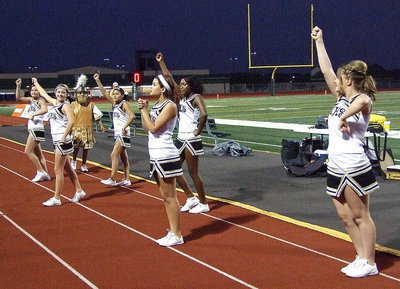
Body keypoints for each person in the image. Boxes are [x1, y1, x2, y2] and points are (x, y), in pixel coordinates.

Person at [311, 26, 379, 278]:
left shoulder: (363, 100)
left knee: (361, 216)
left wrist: (345, 117)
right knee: (344, 216)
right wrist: (319, 42)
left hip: (354, 164)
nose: (336, 81)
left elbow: (361, 103)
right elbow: (327, 70)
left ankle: (369, 261)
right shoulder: (339, 99)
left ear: (349, 80)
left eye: (340, 78)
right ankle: (360, 256)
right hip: (335, 165)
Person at [156, 52, 210, 214]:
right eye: (181, 84)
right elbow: (170, 80)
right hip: (180, 138)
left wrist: (198, 130)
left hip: (191, 139)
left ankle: (203, 203)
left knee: (193, 173)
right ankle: (190, 197)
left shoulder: (196, 97)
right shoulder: (181, 97)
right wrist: (162, 62)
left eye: (184, 84)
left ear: (191, 86)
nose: (181, 86)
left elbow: (204, 113)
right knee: (173, 170)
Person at [137, 74, 184, 247]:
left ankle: (177, 234)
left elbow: (155, 129)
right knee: (165, 197)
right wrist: (144, 110)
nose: (151, 86)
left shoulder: (170, 106)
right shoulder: (157, 105)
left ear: (163, 88)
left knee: (171, 196)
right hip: (156, 154)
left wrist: (143, 110)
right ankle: (173, 231)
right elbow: (146, 128)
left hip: (166, 154)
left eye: (154, 84)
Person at [32, 78, 86, 206]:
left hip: (62, 141)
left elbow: (72, 121)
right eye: (58, 92)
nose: (60, 94)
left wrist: (64, 136)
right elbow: (44, 94)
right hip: (57, 140)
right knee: (67, 168)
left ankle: (56, 198)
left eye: (63, 92)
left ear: (67, 94)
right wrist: (36, 83)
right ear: (55, 92)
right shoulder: (55, 102)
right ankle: (79, 190)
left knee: (58, 169)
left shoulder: (65, 105)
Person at [94, 73, 134, 186]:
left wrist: (124, 127)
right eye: (114, 94)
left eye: (117, 94)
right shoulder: (115, 104)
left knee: (113, 155)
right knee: (124, 158)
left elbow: (132, 116)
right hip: (118, 134)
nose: (115, 96)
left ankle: (112, 179)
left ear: (122, 95)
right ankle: (127, 179)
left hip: (123, 133)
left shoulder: (123, 104)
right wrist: (98, 81)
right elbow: (104, 92)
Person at [15, 78, 51, 182]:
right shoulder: (31, 100)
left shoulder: (41, 100)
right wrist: (18, 86)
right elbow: (18, 97)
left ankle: (40, 172)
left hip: (37, 128)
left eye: (36, 90)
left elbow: (45, 109)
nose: (34, 92)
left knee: (27, 151)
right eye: (32, 90)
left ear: (39, 91)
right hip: (32, 129)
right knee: (39, 154)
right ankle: (46, 174)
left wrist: (34, 114)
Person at [70, 74, 105, 172]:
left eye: (84, 93)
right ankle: (73, 161)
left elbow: (97, 115)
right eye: (80, 93)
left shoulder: (91, 105)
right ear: (76, 95)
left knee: (86, 149)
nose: (82, 95)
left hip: (88, 129)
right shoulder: (73, 105)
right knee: (76, 147)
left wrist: (101, 125)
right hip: (76, 129)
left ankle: (84, 164)